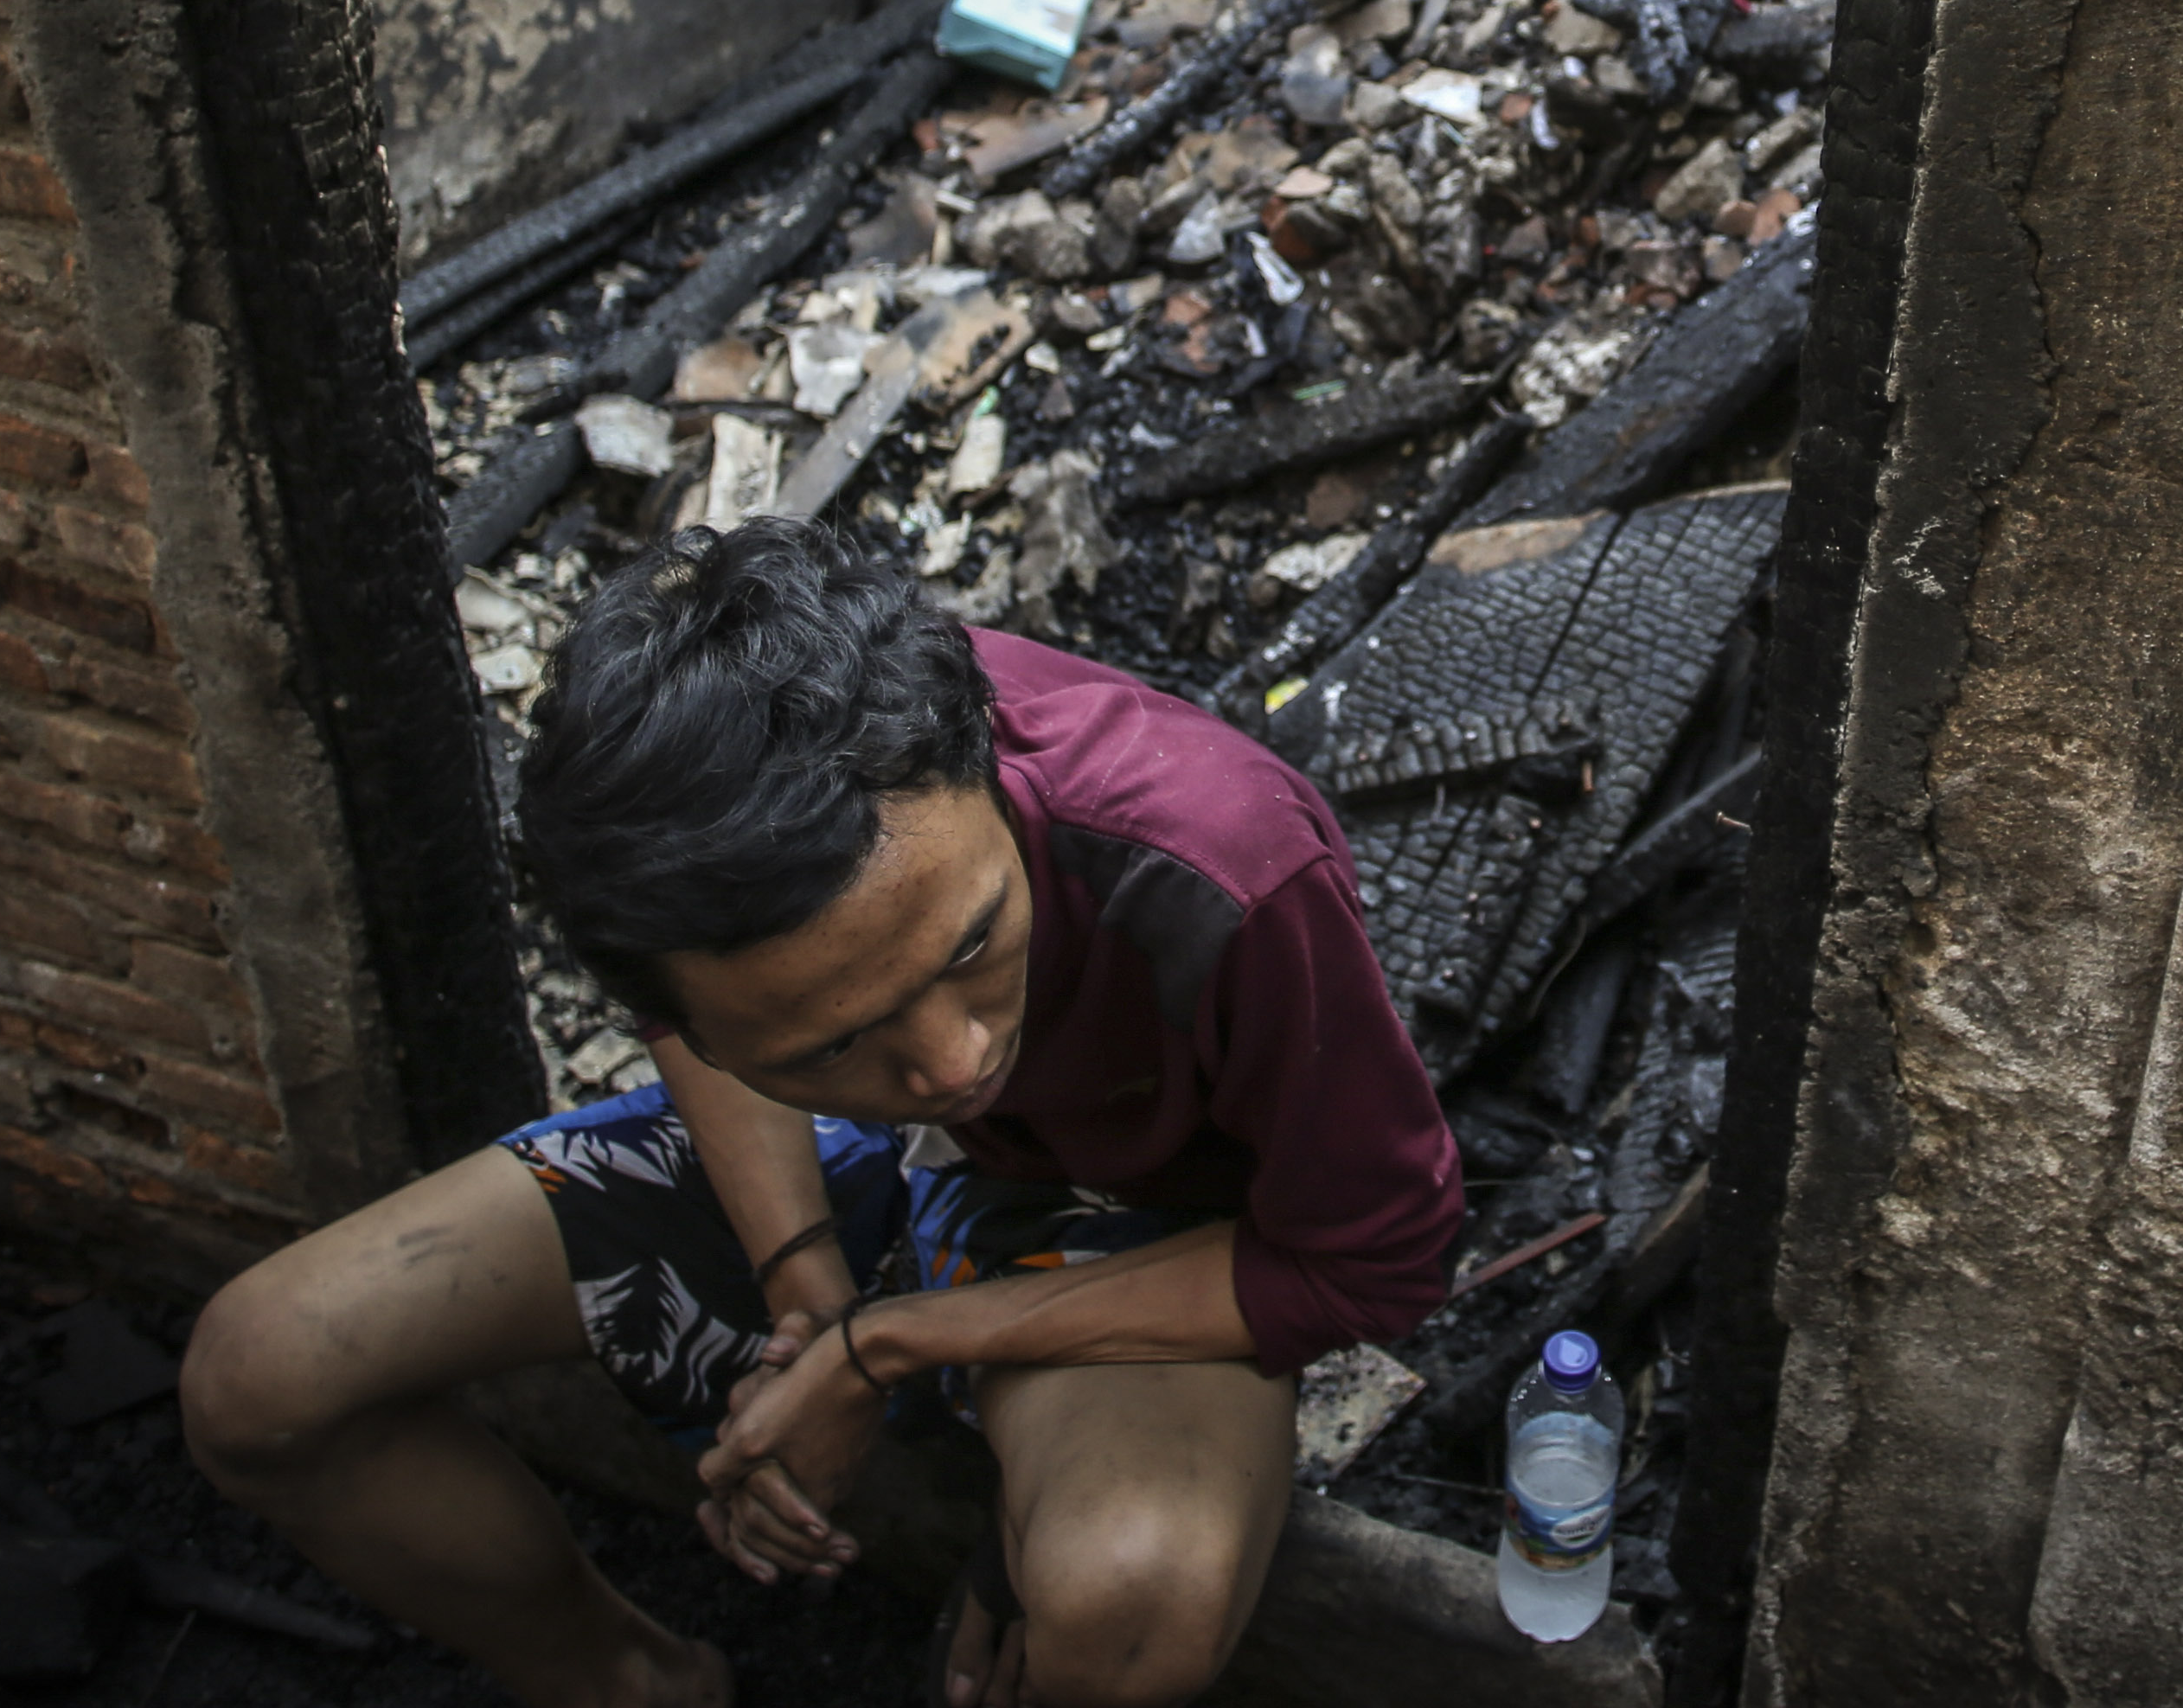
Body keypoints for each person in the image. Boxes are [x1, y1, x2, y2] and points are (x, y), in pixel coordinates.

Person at [177, 516, 1463, 1708]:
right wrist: (808, 1295)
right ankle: (633, 1684)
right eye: (833, 1038)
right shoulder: (681, 838)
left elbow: (1377, 1258)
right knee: (261, 1376)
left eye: (973, 947)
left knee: (1125, 1607)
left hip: (1142, 1224)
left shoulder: (1217, 863)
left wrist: (883, 1347)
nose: (957, 1065)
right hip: (847, 1174)